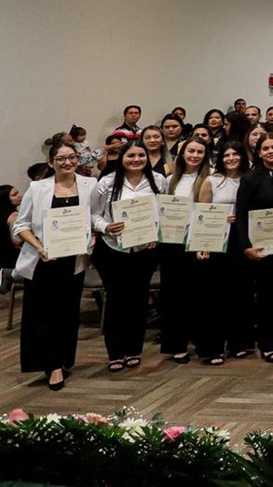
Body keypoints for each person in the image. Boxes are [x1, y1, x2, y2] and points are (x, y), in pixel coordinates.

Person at [14, 140, 98, 390]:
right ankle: (50, 366)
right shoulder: (37, 188)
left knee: (67, 315)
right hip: (42, 262)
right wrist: (39, 246)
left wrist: (91, 237)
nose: (67, 162)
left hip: (73, 261)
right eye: (61, 159)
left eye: (71, 157)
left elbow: (94, 218)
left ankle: (62, 361)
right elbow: (21, 225)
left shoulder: (89, 185)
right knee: (41, 316)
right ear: (51, 162)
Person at [91, 138, 166, 372]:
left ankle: (134, 349)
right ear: (122, 158)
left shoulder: (159, 181)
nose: (136, 160)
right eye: (131, 156)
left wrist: (157, 232)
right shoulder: (107, 182)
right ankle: (115, 352)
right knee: (116, 300)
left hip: (145, 251)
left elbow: (164, 212)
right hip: (113, 249)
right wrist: (106, 227)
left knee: (138, 299)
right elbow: (93, 215)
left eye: (141, 156)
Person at [235, 135, 273, 363]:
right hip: (262, 245)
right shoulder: (250, 179)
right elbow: (241, 215)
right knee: (266, 295)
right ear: (259, 153)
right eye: (265, 148)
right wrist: (246, 247)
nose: (270, 151)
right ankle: (267, 342)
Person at [159, 137, 211, 364]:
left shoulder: (209, 179)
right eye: (191, 151)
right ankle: (176, 345)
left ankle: (201, 341)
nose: (195, 155)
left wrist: (204, 243)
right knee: (173, 295)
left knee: (199, 295)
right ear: (182, 154)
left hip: (197, 242)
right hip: (172, 242)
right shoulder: (170, 179)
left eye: (200, 152)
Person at [205, 141, 248, 363]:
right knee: (216, 296)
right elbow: (200, 214)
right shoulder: (211, 181)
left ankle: (237, 343)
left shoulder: (248, 179)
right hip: (217, 241)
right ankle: (213, 347)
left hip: (241, 241)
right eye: (226, 155)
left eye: (235, 154)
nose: (231, 158)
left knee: (239, 294)